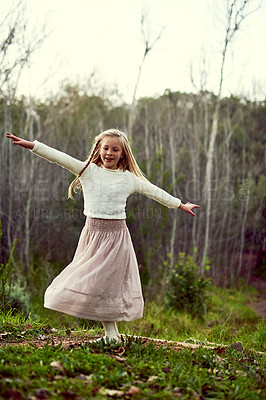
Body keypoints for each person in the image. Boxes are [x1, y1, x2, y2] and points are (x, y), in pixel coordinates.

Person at [6, 129, 199, 343]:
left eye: (115, 149)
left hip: (117, 238)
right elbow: (60, 157)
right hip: (92, 235)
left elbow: (154, 191)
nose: (109, 153)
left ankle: (111, 335)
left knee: (108, 286)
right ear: (98, 149)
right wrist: (32, 145)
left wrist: (180, 204)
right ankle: (111, 334)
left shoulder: (129, 179)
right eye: (105, 148)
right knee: (89, 281)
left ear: (123, 154)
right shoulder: (88, 170)